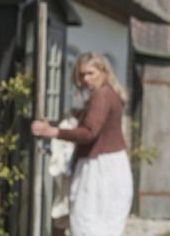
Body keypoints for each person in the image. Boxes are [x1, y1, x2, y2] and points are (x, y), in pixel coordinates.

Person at [31, 52, 133, 236]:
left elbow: (89, 132)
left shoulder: (101, 96)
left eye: (90, 73)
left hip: (99, 168)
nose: (85, 79)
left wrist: (54, 132)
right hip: (110, 165)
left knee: (89, 224)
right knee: (102, 225)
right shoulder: (109, 93)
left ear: (103, 71)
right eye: (81, 74)